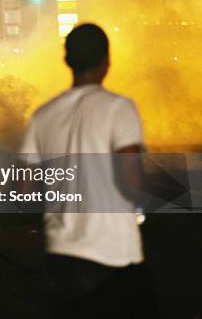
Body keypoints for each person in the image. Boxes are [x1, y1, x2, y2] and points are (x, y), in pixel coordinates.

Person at [19, 23, 158, 318]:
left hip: (61, 257)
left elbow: (24, 189)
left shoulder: (43, 116)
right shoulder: (119, 108)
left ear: (67, 60)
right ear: (107, 61)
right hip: (114, 258)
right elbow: (131, 181)